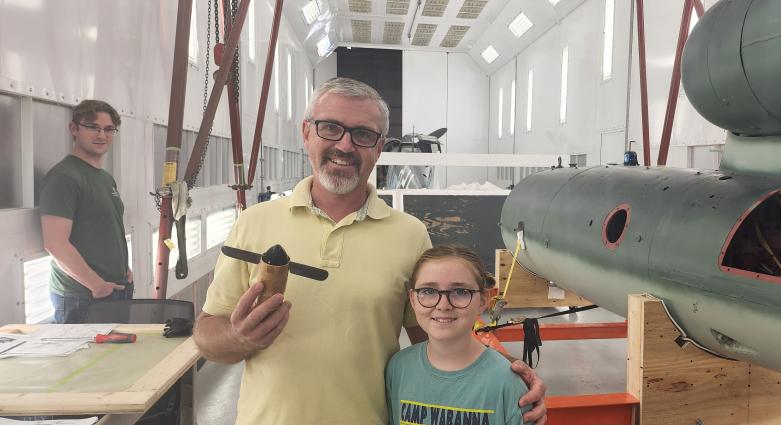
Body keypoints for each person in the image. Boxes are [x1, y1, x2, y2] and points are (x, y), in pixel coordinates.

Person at [194, 77, 547, 424]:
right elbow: (208, 335)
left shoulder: (409, 236)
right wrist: (238, 337)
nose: (345, 146)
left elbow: (441, 336)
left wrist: (507, 379)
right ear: (306, 133)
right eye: (330, 128)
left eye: (363, 134)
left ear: (379, 148)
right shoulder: (253, 223)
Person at [387, 245, 530, 425]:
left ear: (483, 301)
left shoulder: (508, 382)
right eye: (428, 291)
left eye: (460, 292)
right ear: (413, 299)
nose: (443, 305)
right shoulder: (398, 368)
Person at [40, 99, 133, 324]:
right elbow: (55, 243)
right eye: (92, 127)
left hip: (115, 289)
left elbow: (105, 229)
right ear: (74, 129)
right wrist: (96, 285)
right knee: (86, 360)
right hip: (83, 296)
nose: (101, 135)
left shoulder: (105, 178)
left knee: (115, 358)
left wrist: (125, 270)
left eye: (109, 129)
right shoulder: (64, 177)